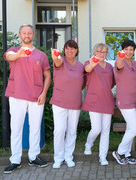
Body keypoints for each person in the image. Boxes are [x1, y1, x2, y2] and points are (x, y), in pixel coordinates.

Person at [3, 24, 51, 173]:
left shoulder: (41, 55)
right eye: (24, 33)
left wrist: (44, 93)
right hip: (16, 95)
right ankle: (15, 160)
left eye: (29, 33)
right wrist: (19, 55)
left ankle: (33, 157)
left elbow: (48, 75)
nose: (27, 35)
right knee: (16, 129)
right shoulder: (13, 51)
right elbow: (8, 56)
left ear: (33, 35)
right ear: (19, 35)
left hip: (36, 97)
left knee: (35, 128)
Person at [50, 40, 84, 168]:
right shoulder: (60, 61)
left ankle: (68, 156)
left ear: (76, 50)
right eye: (67, 48)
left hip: (75, 102)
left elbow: (83, 82)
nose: (70, 51)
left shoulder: (80, 66)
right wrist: (55, 56)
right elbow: (57, 61)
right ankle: (58, 158)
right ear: (64, 50)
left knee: (71, 131)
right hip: (59, 102)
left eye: (73, 49)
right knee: (59, 130)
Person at [82, 43, 115, 166]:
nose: (102, 54)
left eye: (105, 52)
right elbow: (87, 69)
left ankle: (103, 156)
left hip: (107, 101)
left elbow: (111, 83)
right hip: (94, 101)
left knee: (105, 131)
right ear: (94, 52)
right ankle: (88, 144)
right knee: (96, 129)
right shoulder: (89, 62)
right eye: (100, 51)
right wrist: (93, 62)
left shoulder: (109, 67)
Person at [112, 40, 136, 165]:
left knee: (130, 128)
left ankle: (127, 154)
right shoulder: (120, 62)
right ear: (122, 50)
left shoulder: (135, 63)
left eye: (131, 49)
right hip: (125, 100)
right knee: (135, 128)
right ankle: (119, 152)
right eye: (126, 49)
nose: (129, 51)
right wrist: (120, 58)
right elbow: (119, 65)